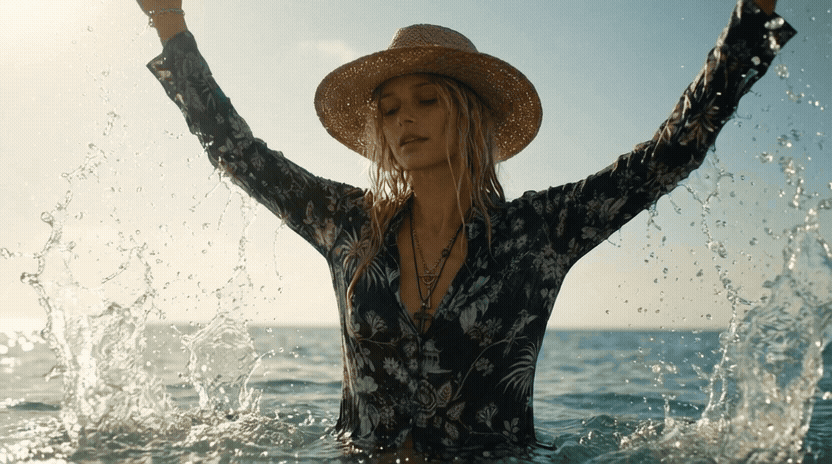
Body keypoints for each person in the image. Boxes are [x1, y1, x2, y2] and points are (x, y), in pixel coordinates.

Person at [135, 0, 794, 458]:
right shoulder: (346, 225)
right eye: (388, 109)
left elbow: (669, 153)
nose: (403, 121)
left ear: (470, 115)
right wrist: (169, 19)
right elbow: (236, 151)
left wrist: (753, 20)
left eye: (426, 100)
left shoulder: (541, 232)